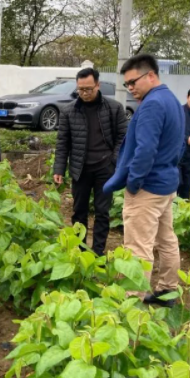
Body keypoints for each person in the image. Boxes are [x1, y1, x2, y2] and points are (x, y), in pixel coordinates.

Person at [103, 54, 185, 307]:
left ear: (150, 75)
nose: (130, 88)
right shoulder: (171, 99)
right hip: (166, 184)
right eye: (127, 84)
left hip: (148, 188)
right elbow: (179, 144)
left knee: (138, 248)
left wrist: (134, 182)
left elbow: (145, 150)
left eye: (132, 82)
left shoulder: (152, 104)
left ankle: (132, 303)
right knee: (166, 239)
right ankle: (168, 291)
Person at [52, 67, 128, 256]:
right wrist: (59, 168)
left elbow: (123, 138)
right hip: (80, 168)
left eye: (88, 89)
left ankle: (98, 252)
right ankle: (80, 250)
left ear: (97, 85)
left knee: (102, 212)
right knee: (79, 212)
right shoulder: (69, 111)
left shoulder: (114, 108)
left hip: (105, 167)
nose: (84, 93)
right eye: (81, 89)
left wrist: (114, 161)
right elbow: (63, 142)